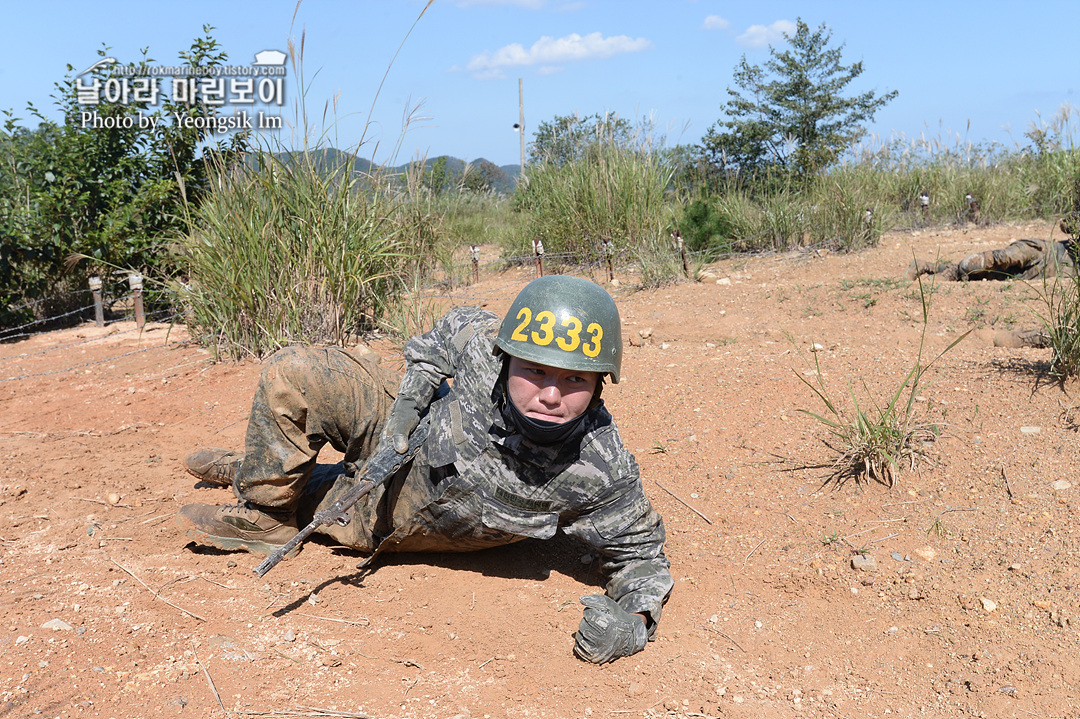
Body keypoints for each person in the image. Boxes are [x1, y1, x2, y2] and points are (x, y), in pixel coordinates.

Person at [175, 274, 673, 664]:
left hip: (390, 520)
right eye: (535, 370)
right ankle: (266, 508)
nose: (549, 394)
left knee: (320, 493)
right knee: (298, 372)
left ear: (601, 383)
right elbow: (444, 336)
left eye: (573, 379)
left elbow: (644, 558)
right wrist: (408, 404)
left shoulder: (600, 468)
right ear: (507, 358)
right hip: (398, 439)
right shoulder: (484, 348)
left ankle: (250, 471)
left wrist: (632, 622)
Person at [906, 236, 1077, 282]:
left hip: (1040, 274)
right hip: (1045, 252)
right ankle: (950, 273)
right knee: (999, 259)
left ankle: (929, 266)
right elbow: (1066, 222)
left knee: (986, 275)